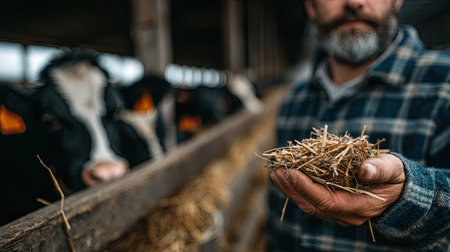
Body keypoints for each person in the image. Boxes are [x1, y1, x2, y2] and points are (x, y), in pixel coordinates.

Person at [267, 0, 450, 251]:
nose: (354, 2)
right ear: (310, 6)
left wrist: (411, 194)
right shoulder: (293, 101)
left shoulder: (445, 84)